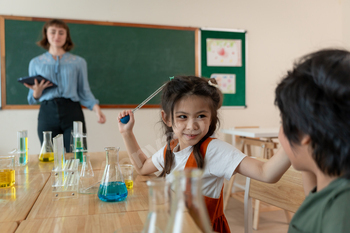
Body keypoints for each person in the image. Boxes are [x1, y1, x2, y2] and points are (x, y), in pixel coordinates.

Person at [118, 76, 291, 233]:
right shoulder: (172, 147)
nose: (192, 126)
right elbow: (142, 167)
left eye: (201, 116)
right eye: (183, 117)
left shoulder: (214, 150)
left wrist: (295, 136)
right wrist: (127, 133)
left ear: (211, 117)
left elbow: (266, 172)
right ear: (167, 119)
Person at [275, 48, 350, 233]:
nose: (279, 134)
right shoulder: (328, 189)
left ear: (304, 131)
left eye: (282, 122)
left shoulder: (342, 209)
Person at [23, 19, 106, 152]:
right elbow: (32, 99)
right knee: (49, 157)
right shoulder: (35, 63)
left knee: (78, 156)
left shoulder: (78, 62)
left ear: (67, 36)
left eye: (61, 33)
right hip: (47, 113)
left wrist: (97, 110)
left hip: (72, 112)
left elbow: (84, 91)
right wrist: (37, 92)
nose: (57, 36)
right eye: (53, 32)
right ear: (46, 34)